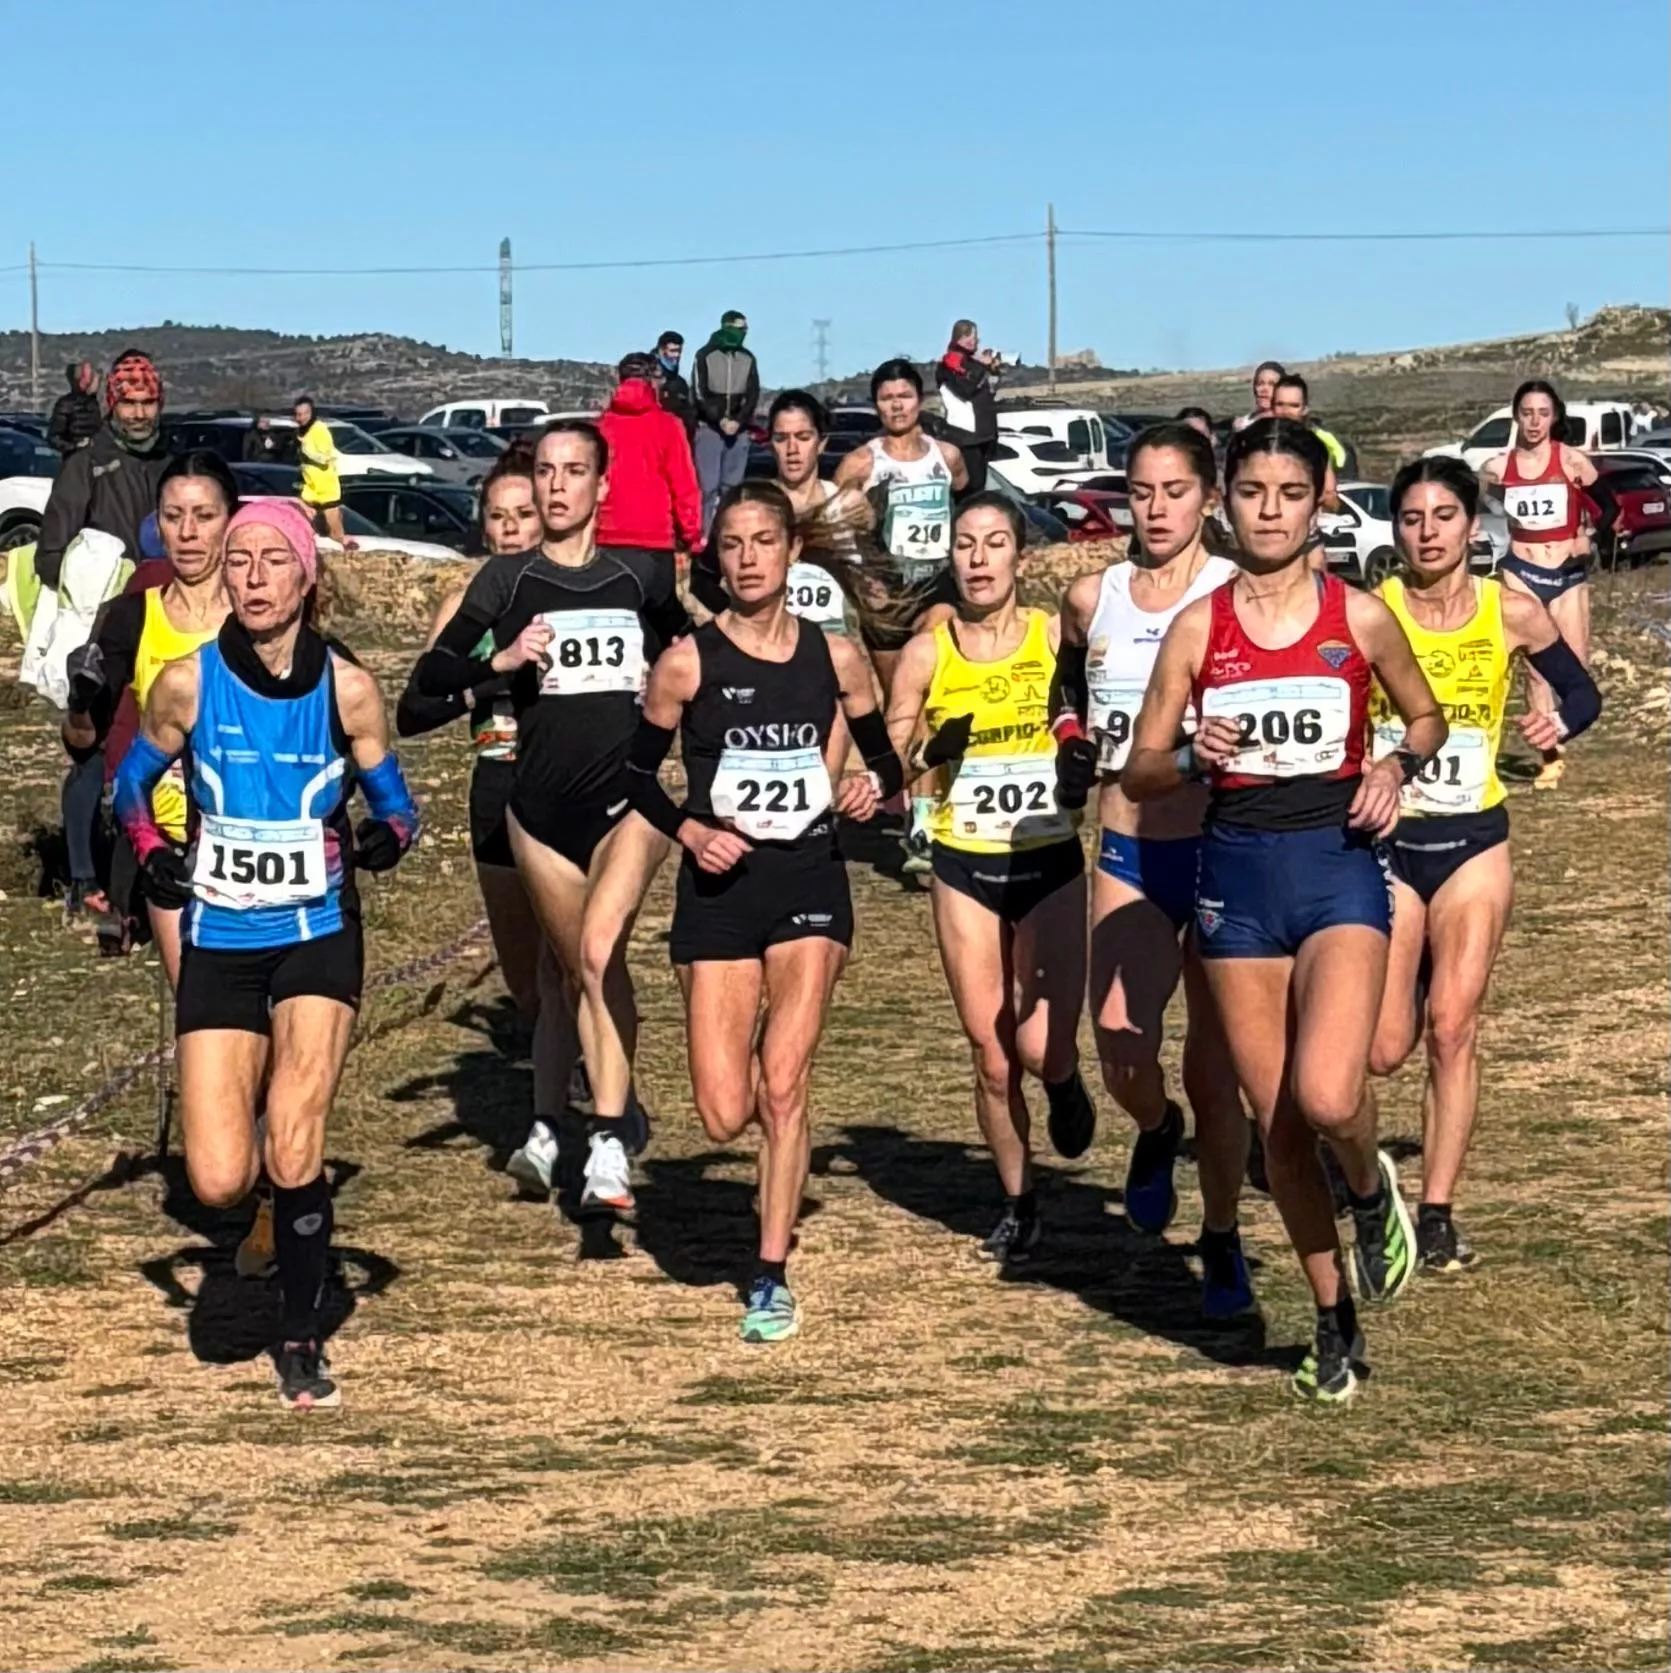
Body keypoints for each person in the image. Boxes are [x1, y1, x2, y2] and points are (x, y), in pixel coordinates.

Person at [1123, 417, 1447, 1405]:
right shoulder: (1197, 628)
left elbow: (1428, 714)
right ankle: (1331, 1317)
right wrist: (1190, 754)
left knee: (1330, 1094)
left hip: (1339, 867)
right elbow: (1137, 768)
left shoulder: (1359, 616)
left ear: (1322, 505)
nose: (1269, 510)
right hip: (1237, 882)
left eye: (1290, 493)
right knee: (1276, 1128)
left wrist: (1395, 761)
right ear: (1226, 500)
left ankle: (1369, 1184)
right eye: (1253, 491)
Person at [114, 498, 420, 1409]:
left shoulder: (348, 687)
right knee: (217, 1175)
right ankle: (289, 1233)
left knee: (292, 1136)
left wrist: (379, 840)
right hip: (220, 934)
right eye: (237, 561)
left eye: (270, 561)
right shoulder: (187, 683)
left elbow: (400, 810)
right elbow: (132, 790)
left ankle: (300, 1331)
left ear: (305, 576)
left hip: (317, 934)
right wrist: (154, 855)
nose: (251, 577)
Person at [626, 482, 903, 1340]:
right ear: (717, 558)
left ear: (791, 553)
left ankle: (770, 1270)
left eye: (763, 542)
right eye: (733, 544)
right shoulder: (687, 662)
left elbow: (890, 766)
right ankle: (776, 1142)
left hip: (809, 885)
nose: (748, 558)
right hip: (718, 893)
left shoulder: (837, 656)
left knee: (782, 1081)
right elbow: (636, 780)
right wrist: (690, 830)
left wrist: (868, 787)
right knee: (721, 1109)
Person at [411, 422, 690, 1218]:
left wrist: (667, 710)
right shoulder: (505, 582)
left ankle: (604, 1137)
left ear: (603, 487)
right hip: (535, 808)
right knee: (564, 973)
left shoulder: (640, 574)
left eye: (575, 471)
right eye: (545, 471)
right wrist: (494, 664)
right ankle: (566, 1118)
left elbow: (695, 657)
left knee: (599, 956)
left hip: (627, 802)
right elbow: (428, 681)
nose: (557, 485)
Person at [1366, 455, 1600, 1272]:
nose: (1425, 533)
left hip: (1472, 841)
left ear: (1473, 525)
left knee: (1453, 1027)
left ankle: (1434, 1210)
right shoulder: (1372, 610)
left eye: (1442, 517)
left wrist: (1555, 729)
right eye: (1410, 518)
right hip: (1388, 845)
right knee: (1382, 1047)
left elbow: (1582, 694)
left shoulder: (1510, 611)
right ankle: (1356, 1167)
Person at [1056, 423, 1251, 1315]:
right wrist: (1066, 738)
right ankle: (1153, 1126)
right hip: (1127, 845)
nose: (1158, 508)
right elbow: (1067, 690)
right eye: (1141, 492)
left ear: (1207, 496)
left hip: (1218, 846)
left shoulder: (1235, 593)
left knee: (1218, 1069)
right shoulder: (1091, 597)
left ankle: (1220, 1240)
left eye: (1175, 491)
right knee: (1122, 1051)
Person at [883, 493, 1098, 1263]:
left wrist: (1085, 759)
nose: (977, 559)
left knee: (1040, 1048)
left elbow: (1098, 720)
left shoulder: (1051, 636)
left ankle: (1067, 1080)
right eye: (965, 544)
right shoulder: (926, 652)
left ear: (1019, 556)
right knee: (990, 1048)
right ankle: (1018, 1201)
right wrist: (927, 750)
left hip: (1046, 859)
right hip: (963, 860)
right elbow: (889, 761)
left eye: (994, 543)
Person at [396, 443, 582, 1193]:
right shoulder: (468, 604)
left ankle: (583, 1111)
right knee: (526, 981)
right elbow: (416, 706)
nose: (511, 530)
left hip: (569, 788)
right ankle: (567, 1078)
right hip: (496, 789)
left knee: (574, 961)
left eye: (524, 515)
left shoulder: (581, 590)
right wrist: (488, 675)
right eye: (498, 518)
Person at [62, 453, 237, 986]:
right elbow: (81, 744)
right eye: (172, 516)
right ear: (155, 522)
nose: (186, 533)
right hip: (165, 840)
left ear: (233, 519)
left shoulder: (260, 608)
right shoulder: (133, 613)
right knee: (202, 1007)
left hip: (253, 834)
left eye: (204, 516)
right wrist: (80, 700)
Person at [37, 349, 171, 920]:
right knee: (90, 754)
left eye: (148, 402)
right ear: (112, 404)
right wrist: (97, 571)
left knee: (161, 745)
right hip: (101, 633)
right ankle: (83, 876)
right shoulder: (86, 464)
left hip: (166, 623)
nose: (140, 413)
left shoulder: (175, 463)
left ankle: (150, 869)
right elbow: (48, 556)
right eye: (130, 403)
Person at [834, 360, 969, 870]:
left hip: (935, 587)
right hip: (887, 596)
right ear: (877, 405)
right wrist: (863, 578)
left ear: (920, 401)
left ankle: (931, 820)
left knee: (932, 695)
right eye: (887, 398)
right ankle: (919, 812)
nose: (896, 405)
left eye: (905, 396)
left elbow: (964, 497)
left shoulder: (947, 457)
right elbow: (839, 529)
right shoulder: (860, 465)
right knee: (903, 711)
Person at [1480, 380, 1599, 792]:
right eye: (1527, 413)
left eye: (1542, 413)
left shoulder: (1572, 462)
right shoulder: (1496, 469)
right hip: (1522, 570)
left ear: (1554, 418)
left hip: (1566, 574)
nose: (1534, 422)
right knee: (1534, 671)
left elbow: (1604, 506)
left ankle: (1559, 728)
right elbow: (1485, 506)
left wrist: (1587, 534)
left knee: (1574, 667)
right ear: (1516, 416)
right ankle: (1548, 756)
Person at [691, 390, 865, 634]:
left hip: (833, 645)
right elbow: (702, 578)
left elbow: (873, 581)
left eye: (803, 437)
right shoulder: (750, 506)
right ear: (770, 444)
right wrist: (742, 621)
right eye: (782, 438)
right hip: (769, 652)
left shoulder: (847, 505)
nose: (792, 449)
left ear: (821, 443)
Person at [596, 353, 703, 567]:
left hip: (605, 536)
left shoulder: (600, 427)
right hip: (655, 538)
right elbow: (683, 485)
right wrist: (692, 536)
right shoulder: (668, 426)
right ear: (653, 381)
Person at [692, 310, 760, 533]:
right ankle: (704, 534)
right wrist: (719, 419)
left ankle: (730, 531)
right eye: (740, 329)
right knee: (708, 487)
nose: (744, 333)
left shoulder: (748, 358)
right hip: (711, 429)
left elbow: (753, 393)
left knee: (733, 487)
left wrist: (738, 422)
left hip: (738, 431)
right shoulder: (705, 356)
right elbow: (699, 393)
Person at [935, 320, 1002, 492]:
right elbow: (966, 389)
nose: (977, 342)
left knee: (979, 485)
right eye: (974, 337)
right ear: (963, 338)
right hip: (965, 436)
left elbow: (987, 393)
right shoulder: (951, 361)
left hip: (982, 435)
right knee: (969, 489)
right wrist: (982, 366)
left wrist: (993, 371)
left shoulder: (970, 362)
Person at [292, 396, 357, 552]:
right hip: (311, 488)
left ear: (312, 412)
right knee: (301, 521)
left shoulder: (319, 429)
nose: (301, 418)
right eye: (298, 414)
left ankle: (348, 549)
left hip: (326, 489)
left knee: (336, 532)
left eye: (305, 413)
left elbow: (326, 457)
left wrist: (306, 452)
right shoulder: (301, 432)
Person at [47, 361, 101, 455]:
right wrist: (75, 447)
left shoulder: (97, 404)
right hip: (75, 461)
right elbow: (54, 438)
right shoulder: (65, 404)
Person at [654, 331, 696, 440]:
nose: (676, 355)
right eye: (673, 351)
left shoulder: (680, 382)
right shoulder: (648, 377)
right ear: (661, 350)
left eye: (679, 351)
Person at [1232, 361, 1286, 432]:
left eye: (1272, 384)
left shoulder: (1285, 424)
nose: (1264, 389)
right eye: (1260, 383)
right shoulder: (1243, 422)